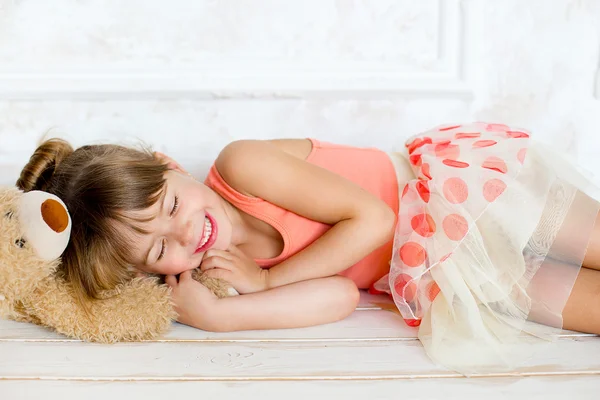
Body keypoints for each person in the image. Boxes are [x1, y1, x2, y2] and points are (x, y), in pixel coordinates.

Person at [16, 122, 600, 374]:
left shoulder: (240, 164)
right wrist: (221, 314)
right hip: (442, 267)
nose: (187, 235)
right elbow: (341, 295)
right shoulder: (219, 270)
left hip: (465, 196)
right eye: (157, 253)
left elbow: (371, 218)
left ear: (169, 166)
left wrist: (269, 282)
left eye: (171, 208)